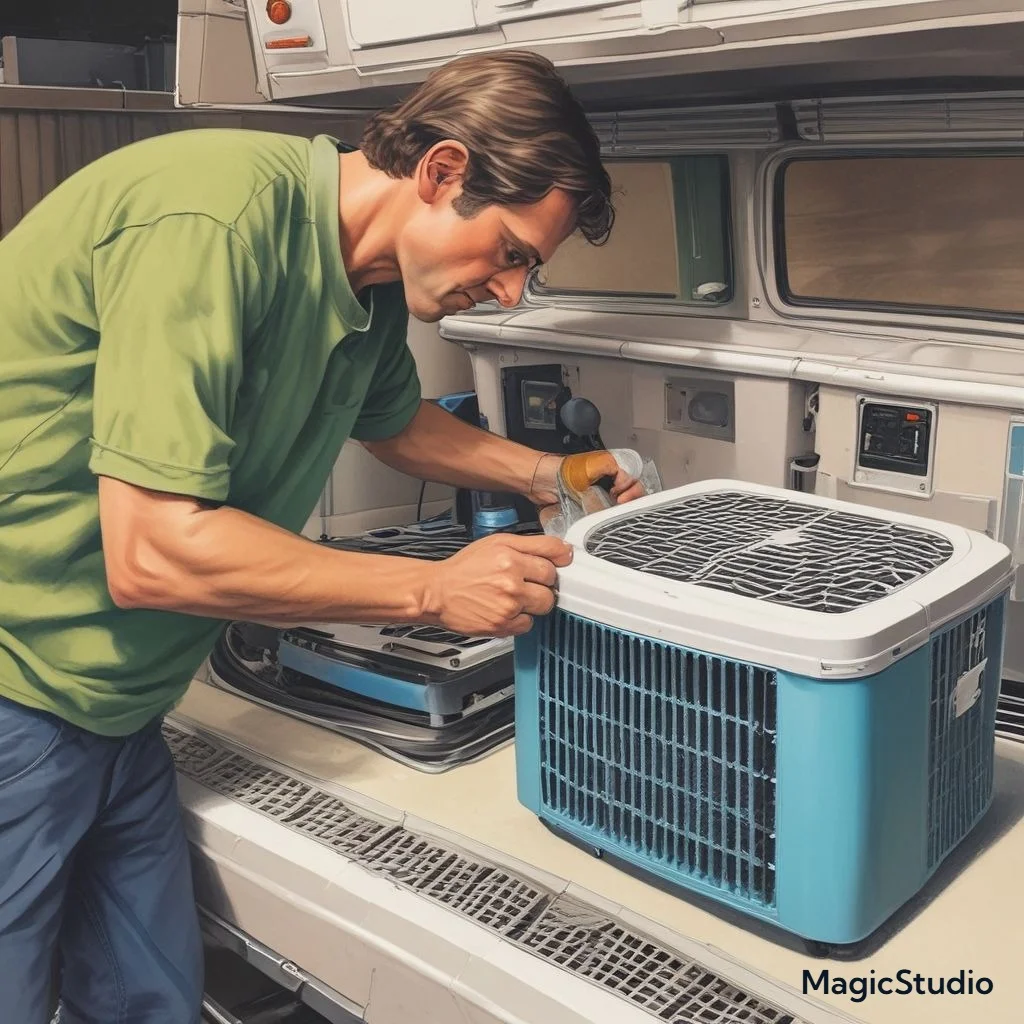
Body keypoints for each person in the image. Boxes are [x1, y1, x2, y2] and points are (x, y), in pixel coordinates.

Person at [0, 49, 643, 1024]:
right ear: (441, 171)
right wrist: (431, 590)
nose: (512, 292)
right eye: (511, 251)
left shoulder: (370, 285)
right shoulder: (210, 221)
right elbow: (153, 552)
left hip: (117, 702)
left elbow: (395, 424)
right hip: (16, 684)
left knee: (150, 1000)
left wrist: (547, 473)